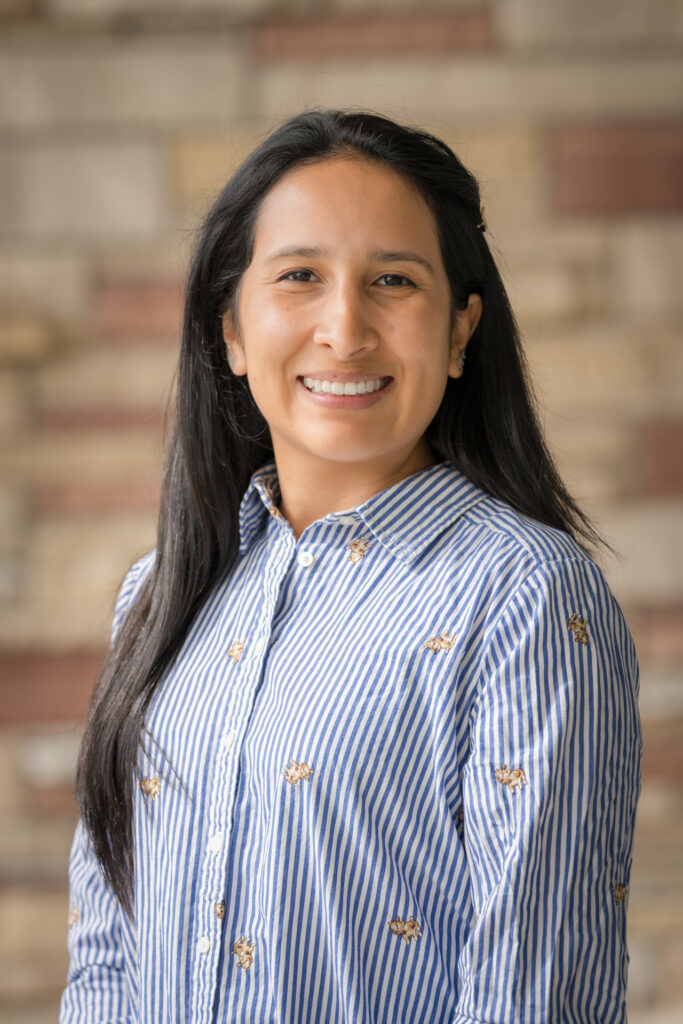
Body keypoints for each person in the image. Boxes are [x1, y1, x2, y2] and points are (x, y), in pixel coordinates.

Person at [60, 109, 642, 1024]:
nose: (345, 327)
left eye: (393, 282)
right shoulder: (160, 592)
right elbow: (105, 958)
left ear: (460, 331)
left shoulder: (523, 597)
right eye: (299, 277)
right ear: (232, 333)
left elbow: (536, 997)